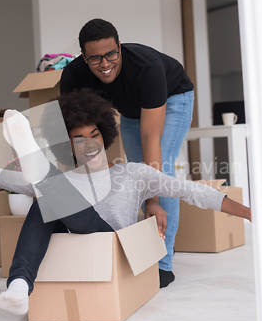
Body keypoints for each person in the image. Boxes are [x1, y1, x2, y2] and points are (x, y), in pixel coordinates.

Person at [0, 89, 251, 316]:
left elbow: (194, 192)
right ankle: (18, 288)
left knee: (46, 191)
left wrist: (252, 213)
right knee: (45, 200)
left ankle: (31, 157)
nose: (90, 142)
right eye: (79, 138)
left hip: (113, 245)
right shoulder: (65, 181)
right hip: (70, 235)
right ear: (68, 145)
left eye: (95, 134)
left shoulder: (133, 174)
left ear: (105, 136)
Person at [60, 18, 195, 287]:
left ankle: (162, 264)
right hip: (131, 111)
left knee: (159, 170)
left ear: (120, 46)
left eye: (111, 54)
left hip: (172, 98)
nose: (106, 63)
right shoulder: (73, 76)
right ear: (84, 58)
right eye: (95, 58)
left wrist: (152, 201)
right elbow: (73, 134)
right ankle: (145, 248)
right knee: (136, 176)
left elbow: (151, 137)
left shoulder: (147, 67)